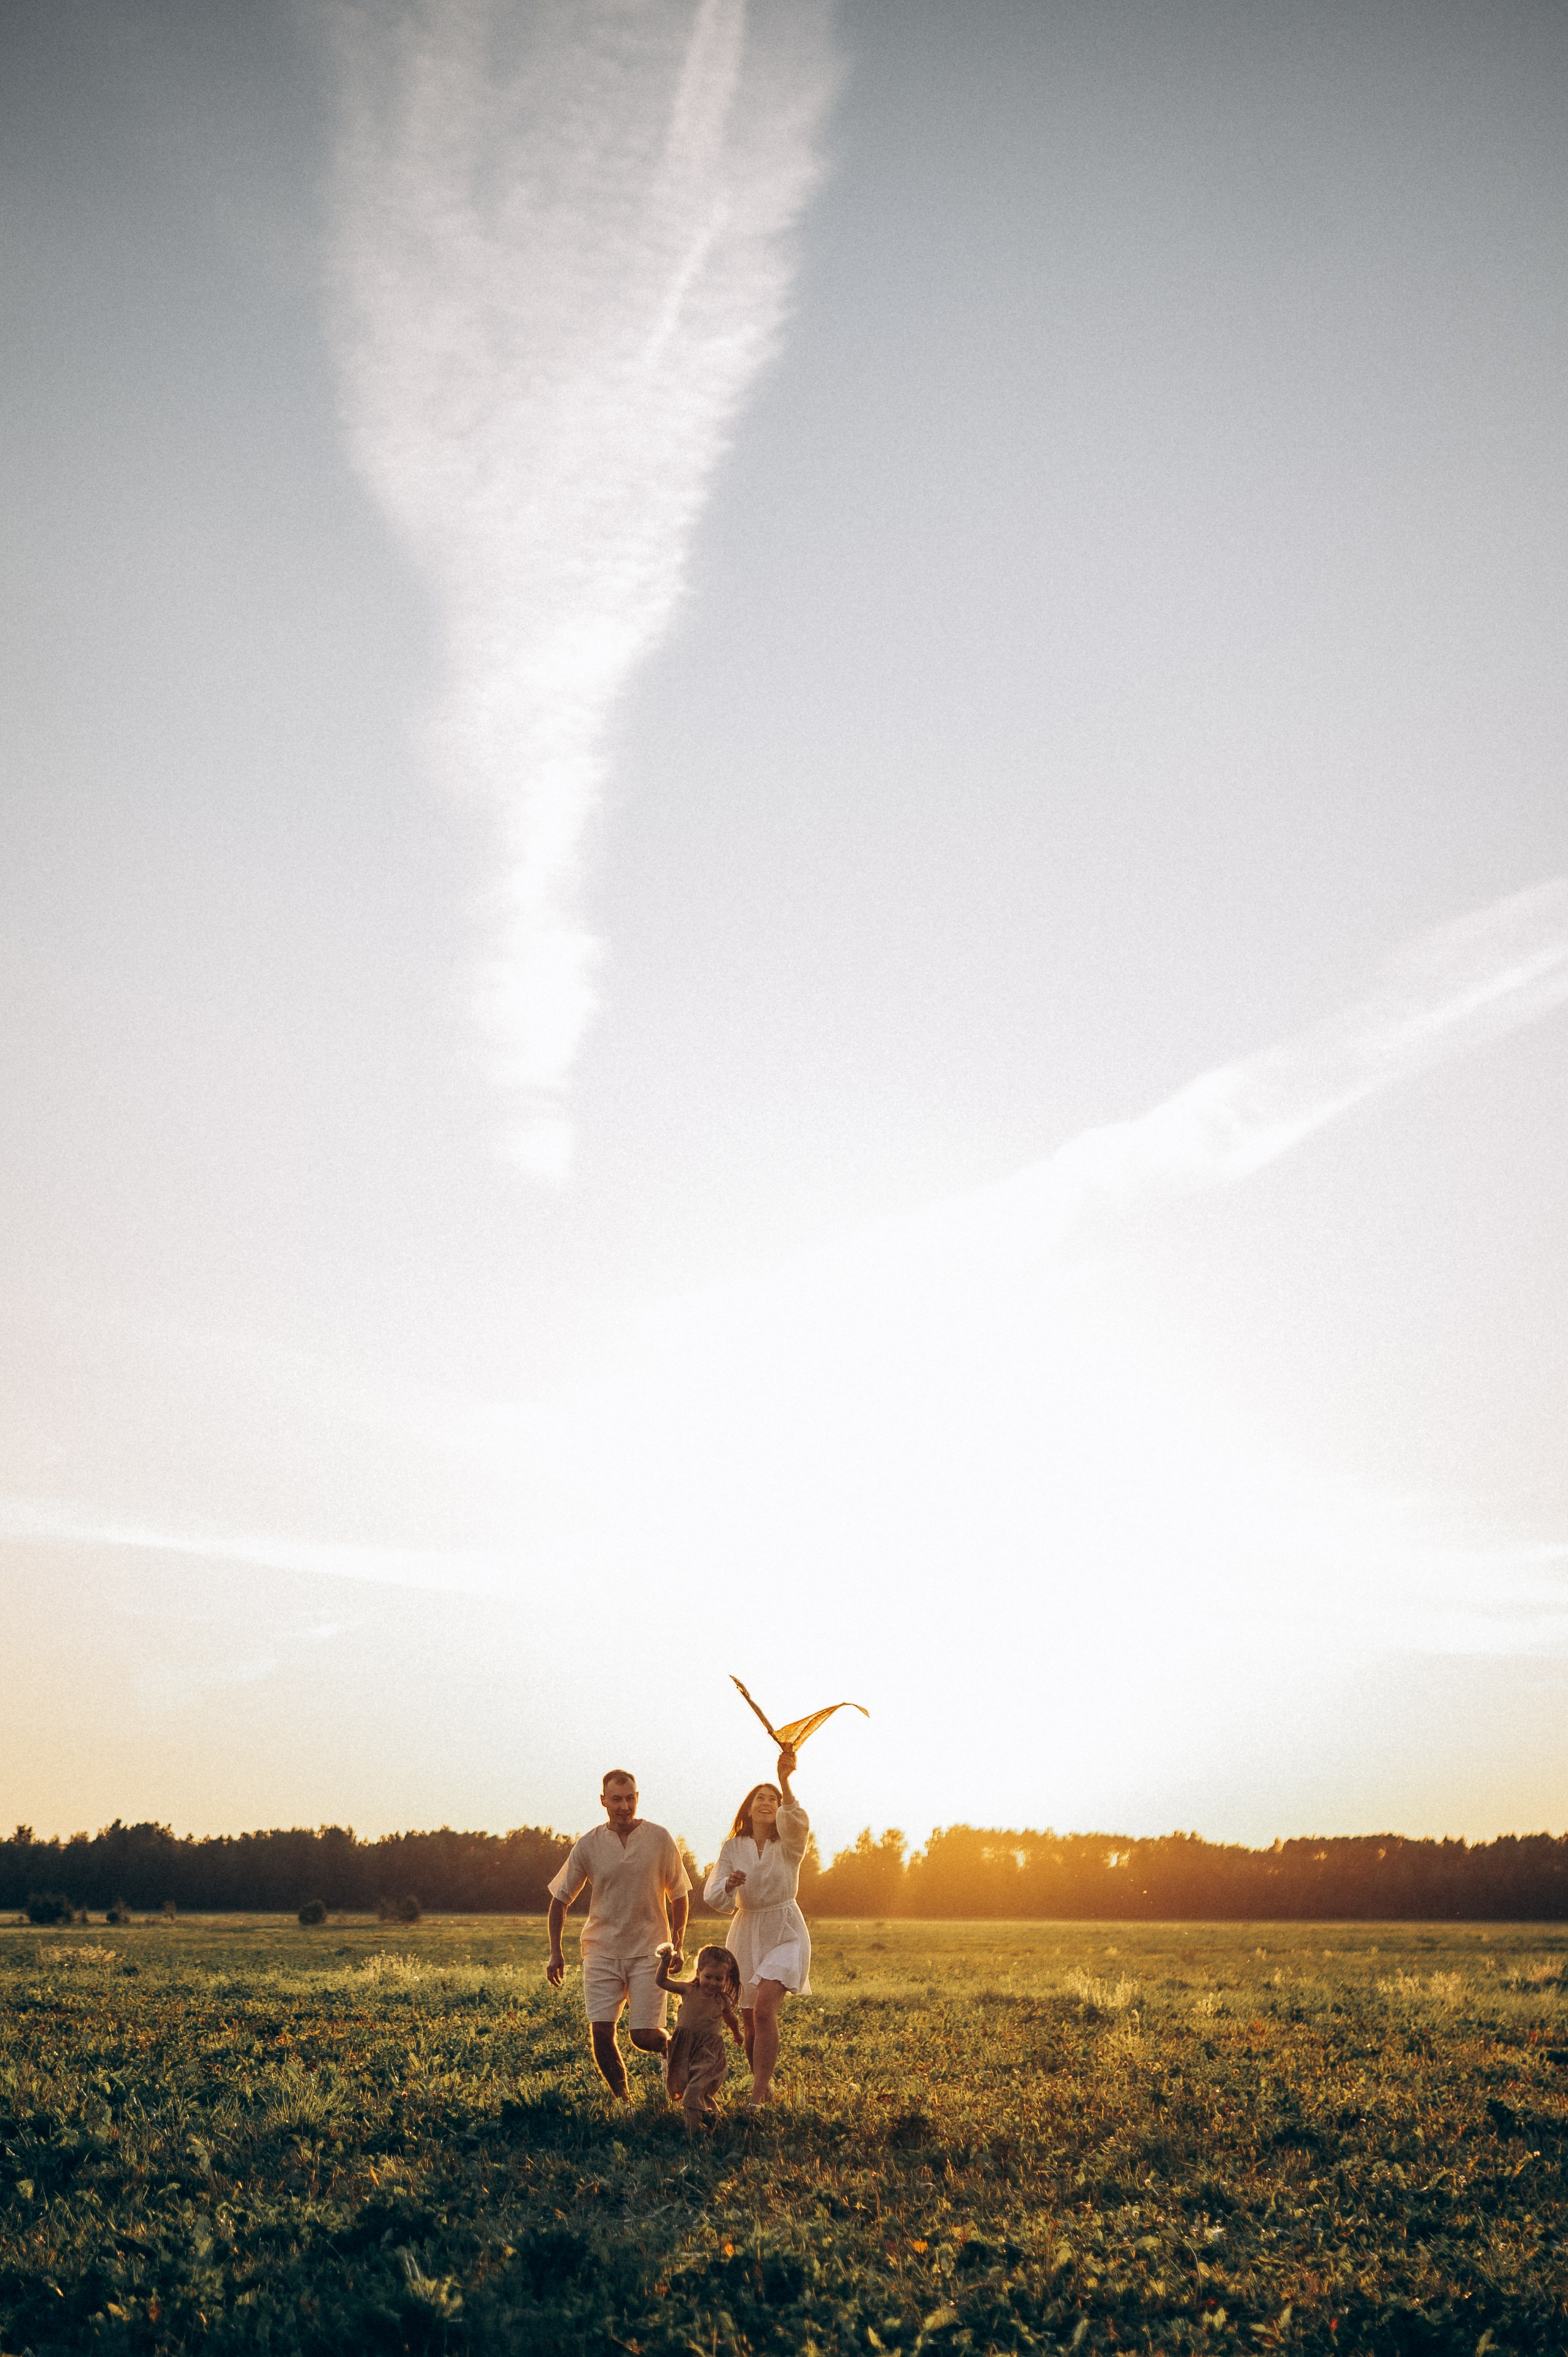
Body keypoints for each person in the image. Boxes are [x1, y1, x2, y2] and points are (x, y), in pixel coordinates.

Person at [545, 1768, 691, 2101]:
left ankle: (678, 2059)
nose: (624, 1806)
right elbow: (559, 1900)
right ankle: (624, 2101)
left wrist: (679, 1946)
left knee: (642, 2035)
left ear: (637, 1798)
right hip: (601, 1950)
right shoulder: (589, 1845)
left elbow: (679, 1895)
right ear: (603, 1801)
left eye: (630, 1799)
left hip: (650, 1951)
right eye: (616, 1800)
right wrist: (556, 1951)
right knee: (601, 2032)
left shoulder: (659, 1839)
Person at [703, 1744, 810, 2105]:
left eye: (773, 1799)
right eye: (759, 1798)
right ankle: (766, 2092)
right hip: (746, 1931)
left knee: (765, 2011)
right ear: (748, 1809)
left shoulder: (790, 1845)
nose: (767, 1802)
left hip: (786, 1929)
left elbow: (797, 1820)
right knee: (749, 2022)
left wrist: (785, 1781)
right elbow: (714, 1895)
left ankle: (756, 2097)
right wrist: (729, 1886)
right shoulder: (733, 1846)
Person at [654, 1941, 743, 2132]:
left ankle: (693, 2137)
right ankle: (710, 2116)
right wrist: (665, 1961)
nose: (713, 1983)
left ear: (726, 1979)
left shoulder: (722, 2001)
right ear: (699, 1971)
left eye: (719, 1979)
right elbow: (662, 1982)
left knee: (696, 2089)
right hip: (684, 2047)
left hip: (708, 2051)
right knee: (687, 2087)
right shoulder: (688, 1990)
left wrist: (738, 2034)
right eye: (708, 1977)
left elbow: (732, 2020)